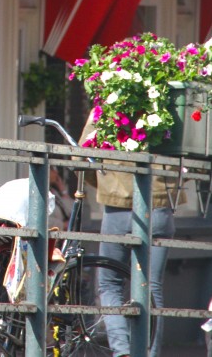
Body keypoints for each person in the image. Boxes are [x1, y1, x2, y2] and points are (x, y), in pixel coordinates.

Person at [82, 112, 177, 357]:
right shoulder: (167, 101)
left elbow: (84, 153)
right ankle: (149, 353)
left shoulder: (108, 103)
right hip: (159, 204)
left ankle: (122, 352)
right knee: (152, 287)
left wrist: (104, 184)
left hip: (118, 207)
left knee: (109, 284)